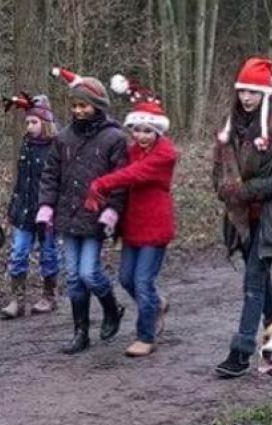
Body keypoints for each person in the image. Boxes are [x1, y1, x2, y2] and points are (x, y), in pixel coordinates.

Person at [211, 57, 272, 378]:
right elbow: (221, 168)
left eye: (253, 92)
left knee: (253, 279)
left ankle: (240, 353)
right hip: (241, 217)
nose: (247, 98)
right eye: (242, 92)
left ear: (265, 93)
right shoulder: (231, 126)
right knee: (259, 276)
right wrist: (225, 188)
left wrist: (250, 189)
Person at [86, 76, 178, 357]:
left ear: (158, 132)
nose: (141, 136)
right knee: (126, 278)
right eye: (137, 130)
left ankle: (145, 335)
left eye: (148, 131)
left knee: (142, 281)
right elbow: (123, 168)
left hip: (156, 226)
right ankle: (156, 305)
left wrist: (102, 184)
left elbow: (132, 175)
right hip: (133, 226)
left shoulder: (165, 155)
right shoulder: (131, 151)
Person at [38, 67, 128, 355]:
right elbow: (51, 174)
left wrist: (111, 212)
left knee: (89, 273)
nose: (78, 110)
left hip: (95, 216)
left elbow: (121, 180)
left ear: (97, 105)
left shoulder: (113, 138)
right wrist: (45, 207)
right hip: (67, 214)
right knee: (74, 276)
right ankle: (81, 332)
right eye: (74, 105)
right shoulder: (63, 138)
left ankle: (111, 308)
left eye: (83, 105)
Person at [0, 94, 60, 319]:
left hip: (47, 211)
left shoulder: (56, 147)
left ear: (45, 122)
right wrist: (12, 208)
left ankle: (49, 295)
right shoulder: (25, 145)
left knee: (49, 254)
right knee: (18, 252)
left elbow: (58, 181)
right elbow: (20, 181)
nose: (29, 126)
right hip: (24, 209)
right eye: (27, 122)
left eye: (34, 122)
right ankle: (17, 299)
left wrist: (55, 208)